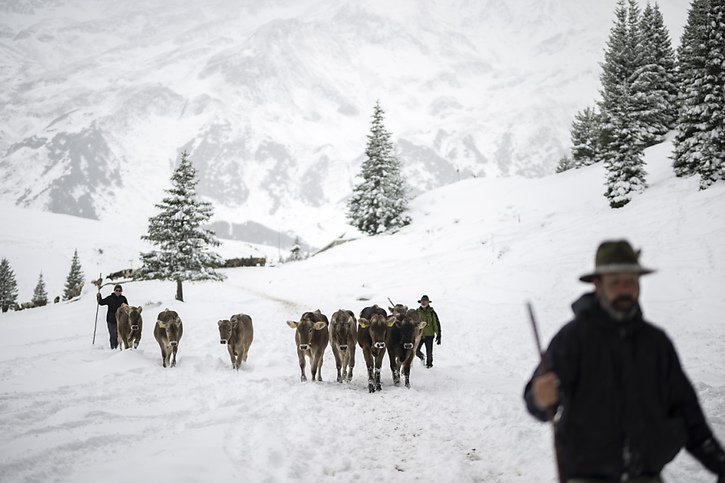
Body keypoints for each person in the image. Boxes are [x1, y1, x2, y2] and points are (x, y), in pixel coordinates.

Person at [523, 240, 725, 483]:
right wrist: (539, 397)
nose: (624, 289)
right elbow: (537, 401)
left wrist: (720, 463)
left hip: (646, 477)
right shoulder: (573, 338)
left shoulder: (656, 343)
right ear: (598, 285)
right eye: (615, 282)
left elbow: (688, 414)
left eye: (630, 281)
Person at [97, 284, 128, 350]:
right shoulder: (110, 298)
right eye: (117, 290)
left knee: (119, 334)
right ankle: (113, 348)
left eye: (119, 291)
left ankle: (118, 348)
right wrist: (99, 297)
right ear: (114, 291)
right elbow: (101, 302)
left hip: (120, 320)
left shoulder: (123, 298)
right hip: (111, 320)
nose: (118, 292)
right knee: (113, 335)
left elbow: (127, 307)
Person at [415, 295, 441, 368]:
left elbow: (436, 324)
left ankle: (429, 366)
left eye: (425, 301)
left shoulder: (432, 312)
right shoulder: (417, 312)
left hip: (429, 335)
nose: (423, 303)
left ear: (428, 302)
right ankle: (422, 357)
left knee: (429, 353)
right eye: (422, 301)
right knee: (416, 350)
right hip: (419, 335)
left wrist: (438, 335)